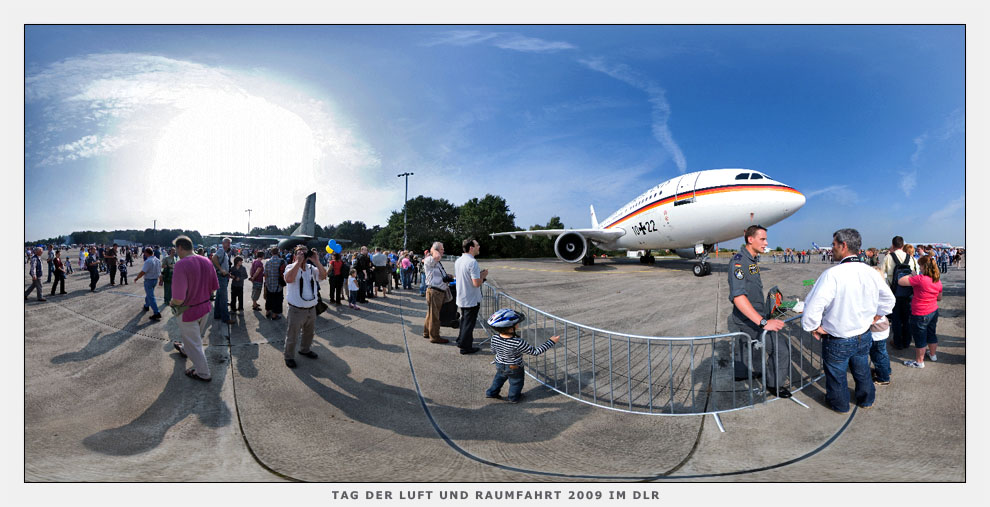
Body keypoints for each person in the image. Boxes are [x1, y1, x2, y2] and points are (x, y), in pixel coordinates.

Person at [802, 228, 895, 413]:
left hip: (839, 339)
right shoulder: (870, 272)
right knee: (862, 371)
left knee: (836, 376)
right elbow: (889, 300)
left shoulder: (832, 274)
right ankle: (867, 400)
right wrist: (875, 316)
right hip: (863, 334)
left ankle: (840, 404)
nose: (832, 248)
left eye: (834, 245)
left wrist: (813, 327)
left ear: (843, 246)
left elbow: (812, 307)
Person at [727, 225, 788, 396]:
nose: (766, 243)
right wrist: (763, 322)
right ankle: (774, 385)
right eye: (762, 239)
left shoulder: (752, 260)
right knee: (780, 348)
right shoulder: (738, 262)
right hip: (751, 319)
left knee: (745, 345)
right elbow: (739, 297)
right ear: (750, 239)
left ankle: (741, 373)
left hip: (753, 315)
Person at [169, 235, 220, 382]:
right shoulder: (206, 260)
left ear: (180, 247)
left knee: (195, 344)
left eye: (176, 249)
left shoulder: (181, 264)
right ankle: (185, 348)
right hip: (205, 307)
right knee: (195, 337)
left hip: (188, 311)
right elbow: (214, 288)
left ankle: (203, 373)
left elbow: (179, 298)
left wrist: (172, 302)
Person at [484, 308, 559, 403]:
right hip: (514, 366)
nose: (518, 325)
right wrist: (551, 342)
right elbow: (535, 352)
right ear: (511, 328)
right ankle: (513, 397)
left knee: (499, 378)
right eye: (516, 324)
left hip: (499, 364)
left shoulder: (494, 338)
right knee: (516, 382)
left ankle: (491, 393)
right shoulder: (518, 342)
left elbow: (493, 350)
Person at [282, 246, 327, 368]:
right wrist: (298, 262)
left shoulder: (311, 268)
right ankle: (289, 356)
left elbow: (323, 276)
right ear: (294, 255)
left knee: (309, 333)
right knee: (293, 335)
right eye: (299, 252)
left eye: (304, 252)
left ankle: (305, 350)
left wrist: (317, 261)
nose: (302, 254)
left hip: (311, 309)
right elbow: (289, 279)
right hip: (296, 310)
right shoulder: (290, 267)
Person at [898, 255, 943, 368]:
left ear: (924, 266)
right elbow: (939, 298)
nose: (920, 268)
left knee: (920, 338)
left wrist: (911, 274)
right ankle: (933, 355)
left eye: (920, 266)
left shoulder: (920, 279)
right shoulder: (937, 280)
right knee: (931, 334)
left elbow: (901, 281)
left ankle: (919, 362)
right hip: (933, 311)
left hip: (920, 313)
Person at [881, 236, 918, 350]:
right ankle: (907, 341)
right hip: (908, 293)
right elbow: (916, 274)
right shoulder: (911, 258)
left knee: (896, 319)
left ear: (893, 245)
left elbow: (881, 275)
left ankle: (897, 342)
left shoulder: (888, 257)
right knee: (907, 318)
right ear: (902, 245)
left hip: (894, 292)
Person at [454, 238, 489, 355]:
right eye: (477, 245)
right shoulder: (472, 262)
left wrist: (479, 276)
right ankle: (465, 347)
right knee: (469, 324)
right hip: (470, 298)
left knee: (464, 321)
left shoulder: (458, 260)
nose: (479, 247)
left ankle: (460, 340)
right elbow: (476, 283)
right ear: (471, 248)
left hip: (462, 296)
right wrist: (483, 276)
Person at [422, 242, 451, 344]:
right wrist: (434, 249)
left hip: (436, 290)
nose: (443, 251)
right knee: (435, 315)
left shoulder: (435, 261)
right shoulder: (430, 259)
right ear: (436, 250)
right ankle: (434, 336)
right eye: (442, 249)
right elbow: (437, 256)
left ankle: (427, 332)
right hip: (435, 291)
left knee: (431, 313)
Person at [133, 247, 163, 321]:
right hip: (155, 280)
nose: (144, 254)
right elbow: (159, 272)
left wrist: (137, 278)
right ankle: (146, 306)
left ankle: (157, 313)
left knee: (151, 296)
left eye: (144, 253)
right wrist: (161, 280)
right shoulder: (158, 260)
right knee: (149, 294)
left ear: (147, 253)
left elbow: (143, 272)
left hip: (149, 281)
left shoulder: (148, 261)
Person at [211, 238, 233, 324]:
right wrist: (220, 269)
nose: (229, 244)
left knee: (219, 297)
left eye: (229, 243)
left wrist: (227, 273)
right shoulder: (221, 250)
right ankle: (225, 318)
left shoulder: (224, 252)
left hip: (222, 276)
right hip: (221, 276)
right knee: (224, 298)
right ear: (223, 243)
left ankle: (217, 314)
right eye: (227, 243)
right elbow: (214, 258)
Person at [264, 247, 285, 320]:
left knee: (269, 298)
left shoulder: (267, 262)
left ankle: (268, 311)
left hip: (269, 283)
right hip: (278, 284)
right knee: (278, 300)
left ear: (271, 253)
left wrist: (266, 283)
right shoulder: (282, 261)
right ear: (278, 252)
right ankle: (274, 315)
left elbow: (265, 274)